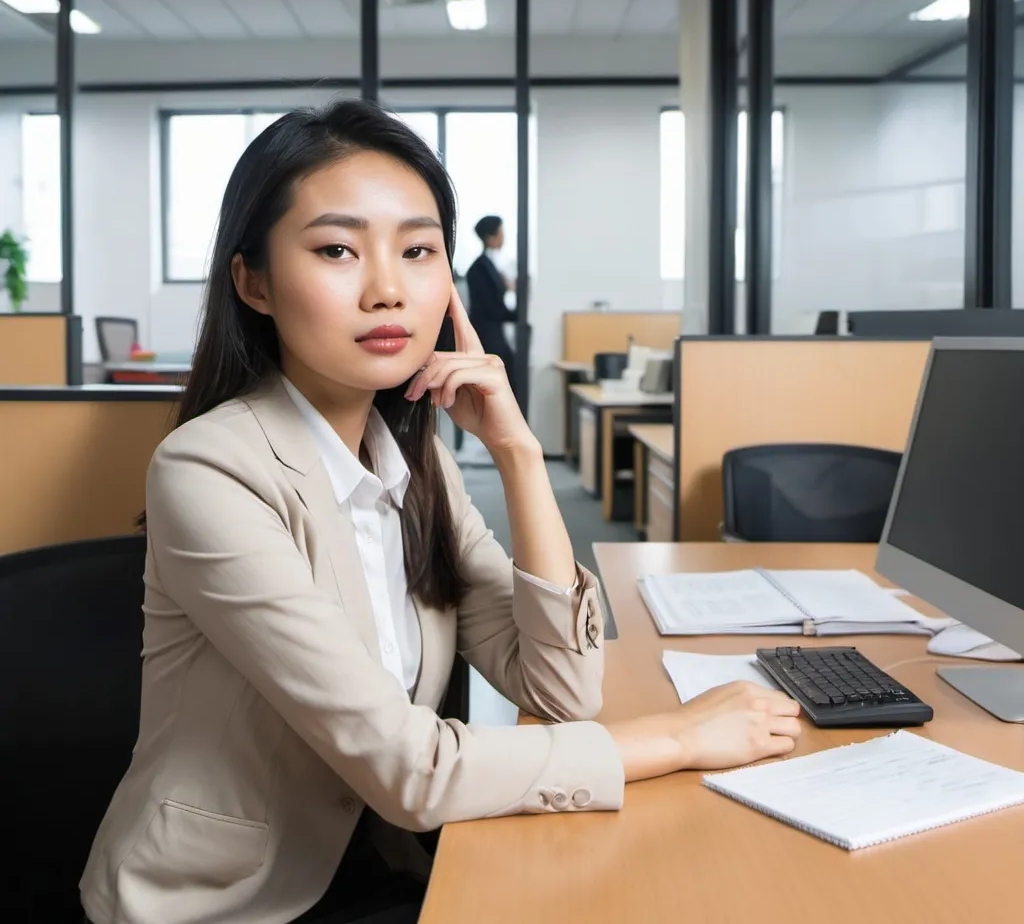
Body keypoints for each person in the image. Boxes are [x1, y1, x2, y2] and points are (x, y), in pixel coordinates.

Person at [80, 100, 801, 924]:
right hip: (232, 903)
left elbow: (562, 687)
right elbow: (410, 769)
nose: (388, 289)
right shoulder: (210, 470)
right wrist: (679, 738)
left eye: (419, 251)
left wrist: (520, 455)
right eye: (337, 250)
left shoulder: (413, 465)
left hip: (383, 864)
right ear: (254, 282)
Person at [465, 214, 516, 381]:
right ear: (490, 237)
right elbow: (488, 308)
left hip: (494, 334)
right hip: (487, 337)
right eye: (501, 233)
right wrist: (516, 315)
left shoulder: (488, 265)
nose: (503, 238)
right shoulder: (479, 268)